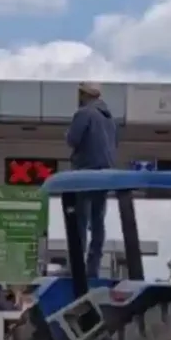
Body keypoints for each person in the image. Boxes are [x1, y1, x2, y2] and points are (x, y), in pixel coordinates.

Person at [65, 82, 117, 279]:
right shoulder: (109, 119)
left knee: (80, 220)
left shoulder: (84, 113)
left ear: (82, 94)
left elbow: (73, 140)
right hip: (104, 173)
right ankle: (93, 268)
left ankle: (76, 268)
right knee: (98, 221)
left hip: (85, 172)